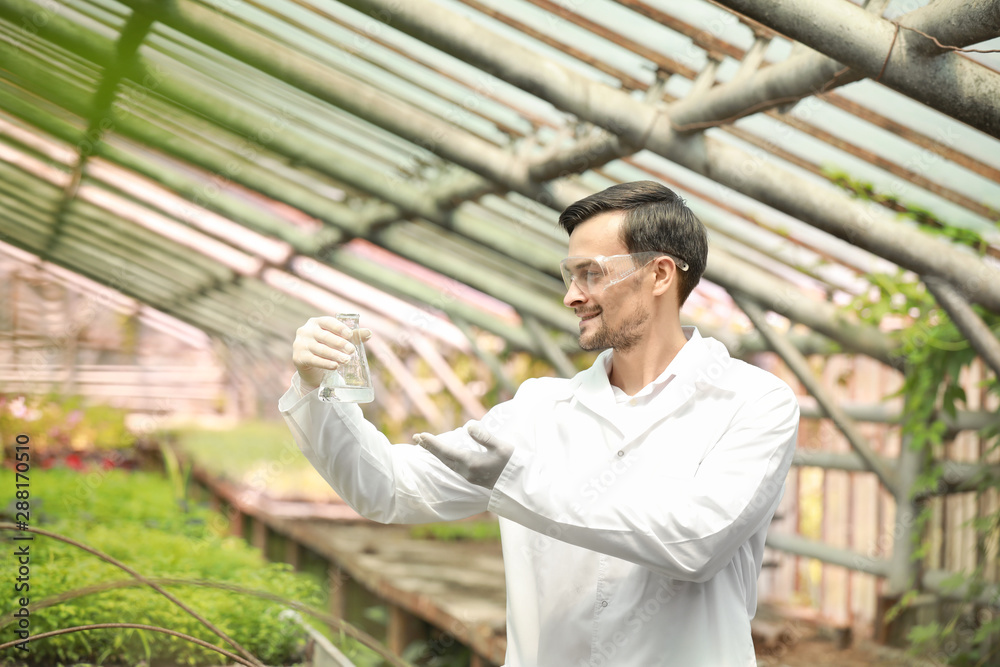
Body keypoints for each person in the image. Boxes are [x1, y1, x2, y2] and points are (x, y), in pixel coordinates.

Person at [280, 180, 800, 666]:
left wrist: (519, 480)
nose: (572, 296)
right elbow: (386, 488)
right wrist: (316, 387)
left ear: (660, 274)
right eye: (570, 275)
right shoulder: (539, 409)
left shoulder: (752, 402)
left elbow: (694, 543)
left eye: (591, 273)